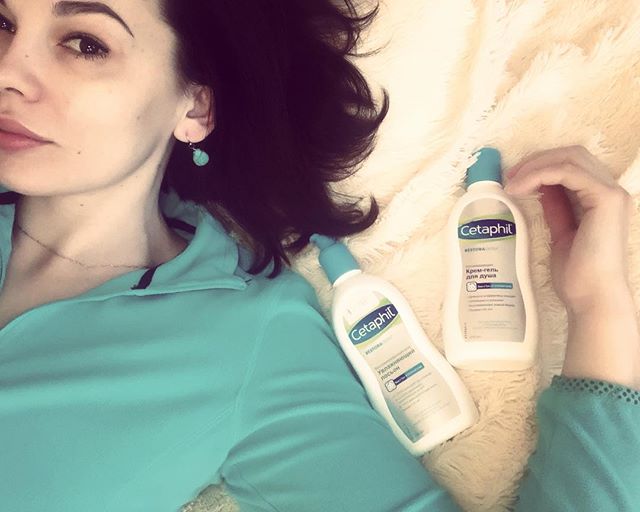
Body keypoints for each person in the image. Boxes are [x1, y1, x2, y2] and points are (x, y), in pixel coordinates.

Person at [0, 1, 637, 511]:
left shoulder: (245, 339)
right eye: (2, 24)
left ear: (194, 106)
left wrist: (602, 308)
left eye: (84, 43)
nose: (8, 71)